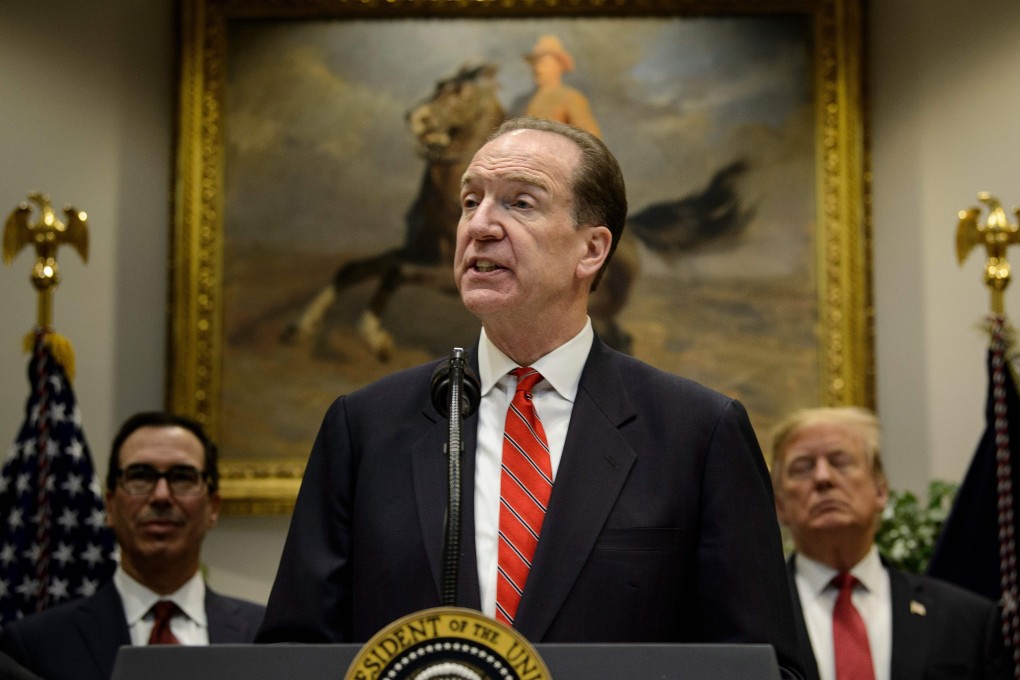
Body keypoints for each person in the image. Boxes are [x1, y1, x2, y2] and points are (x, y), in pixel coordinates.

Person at [255, 116, 805, 678]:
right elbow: (294, 656)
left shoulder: (699, 433)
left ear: (591, 250)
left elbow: (766, 668)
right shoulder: (365, 427)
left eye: (520, 203)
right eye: (470, 201)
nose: (480, 226)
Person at [0, 412, 266, 680]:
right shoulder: (34, 644)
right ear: (110, 506)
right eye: (140, 476)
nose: (161, 496)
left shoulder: (266, 636)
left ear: (213, 508)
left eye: (183, 477)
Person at [771, 406, 1010, 680]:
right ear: (779, 504)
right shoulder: (756, 619)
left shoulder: (968, 620)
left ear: (881, 489)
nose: (823, 478)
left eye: (840, 462)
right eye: (802, 468)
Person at [519, 35, 602, 138]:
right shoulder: (525, 101)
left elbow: (591, 139)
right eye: (535, 64)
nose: (538, 69)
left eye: (545, 64)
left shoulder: (571, 97)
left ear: (560, 67)